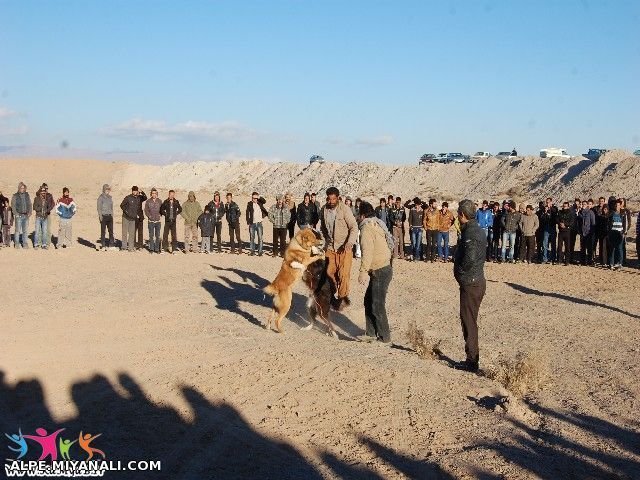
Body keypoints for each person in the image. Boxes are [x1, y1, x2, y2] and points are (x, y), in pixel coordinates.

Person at [454, 199, 486, 373]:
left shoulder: (471, 233)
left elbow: (470, 258)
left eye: (459, 214)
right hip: (474, 281)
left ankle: (472, 361)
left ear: (462, 215)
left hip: (471, 283)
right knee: (469, 320)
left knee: (469, 321)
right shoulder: (475, 229)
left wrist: (460, 271)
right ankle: (471, 358)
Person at [356, 201, 394, 345]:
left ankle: (385, 337)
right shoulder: (378, 223)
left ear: (363, 215)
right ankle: (371, 333)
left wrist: (362, 272)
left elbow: (367, 252)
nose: (358, 218)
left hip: (380, 269)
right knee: (369, 300)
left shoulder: (366, 228)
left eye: (359, 215)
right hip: (384, 267)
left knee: (377, 303)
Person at [320, 186, 358, 310]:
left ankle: (343, 299)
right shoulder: (324, 210)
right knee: (328, 273)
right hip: (331, 247)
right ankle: (331, 297)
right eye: (329, 199)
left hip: (344, 248)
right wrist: (326, 240)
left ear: (337, 198)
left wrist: (349, 243)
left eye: (333, 199)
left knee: (343, 275)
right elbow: (323, 228)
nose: (331, 201)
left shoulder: (345, 209)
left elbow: (354, 227)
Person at [246, 192, 268, 256]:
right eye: (253, 198)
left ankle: (260, 251)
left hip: (259, 223)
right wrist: (248, 221)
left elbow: (264, 201)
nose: (254, 199)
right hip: (252, 223)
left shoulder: (260, 203)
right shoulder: (249, 204)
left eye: (255, 198)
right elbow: (247, 213)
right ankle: (252, 251)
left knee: (260, 238)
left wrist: (259, 197)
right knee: (252, 238)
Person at [120, 186, 142, 252]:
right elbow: (122, 205)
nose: (135, 192)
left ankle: (130, 247)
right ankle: (123, 247)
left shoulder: (138, 198)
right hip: (126, 217)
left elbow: (145, 198)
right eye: (134, 190)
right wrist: (126, 212)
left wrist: (142, 192)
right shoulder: (128, 197)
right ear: (132, 191)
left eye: (136, 191)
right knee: (124, 232)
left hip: (133, 218)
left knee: (132, 233)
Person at [11, 182, 31, 249]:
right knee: (17, 230)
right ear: (19, 188)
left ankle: (25, 243)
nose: (22, 189)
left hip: (26, 216)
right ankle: (16, 243)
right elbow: (13, 206)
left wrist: (30, 212)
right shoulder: (15, 195)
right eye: (21, 188)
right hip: (19, 215)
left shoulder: (27, 195)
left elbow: (30, 204)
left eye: (23, 188)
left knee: (25, 231)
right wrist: (16, 214)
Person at [607, 200, 626, 270]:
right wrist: (609, 233)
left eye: (618, 205)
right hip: (613, 234)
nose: (616, 206)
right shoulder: (611, 214)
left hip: (620, 234)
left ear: (620, 206)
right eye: (615, 205)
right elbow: (609, 225)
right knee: (612, 249)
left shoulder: (623, 214)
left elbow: (624, 224)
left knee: (620, 249)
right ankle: (611, 263)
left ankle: (620, 264)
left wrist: (623, 233)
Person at [405, 197, 424, 262]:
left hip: (420, 229)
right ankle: (414, 256)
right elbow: (409, 219)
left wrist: (421, 201)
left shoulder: (422, 210)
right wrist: (411, 199)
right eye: (416, 204)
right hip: (413, 228)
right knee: (414, 243)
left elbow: (424, 219)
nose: (417, 206)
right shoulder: (412, 209)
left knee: (418, 244)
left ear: (420, 204)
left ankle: (417, 257)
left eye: (418, 204)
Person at [539, 197, 558, 264]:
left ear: (551, 202)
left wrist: (550, 208)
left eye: (548, 202)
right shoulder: (544, 209)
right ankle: (545, 259)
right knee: (545, 244)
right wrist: (545, 212)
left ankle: (553, 259)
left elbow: (555, 214)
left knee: (553, 245)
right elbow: (542, 219)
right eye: (546, 202)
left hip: (552, 228)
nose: (547, 203)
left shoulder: (555, 208)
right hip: (546, 228)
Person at [144, 187, 162, 254]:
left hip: (158, 221)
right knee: (151, 236)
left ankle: (157, 249)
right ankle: (151, 249)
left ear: (156, 194)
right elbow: (146, 210)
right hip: (150, 221)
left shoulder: (159, 201)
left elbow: (162, 209)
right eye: (152, 193)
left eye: (155, 193)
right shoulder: (148, 201)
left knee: (157, 235)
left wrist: (160, 214)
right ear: (151, 194)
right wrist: (149, 216)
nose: (154, 194)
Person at [96, 184, 114, 251]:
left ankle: (111, 245)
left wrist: (112, 215)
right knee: (103, 232)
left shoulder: (110, 197)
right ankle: (103, 245)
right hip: (103, 216)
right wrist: (100, 216)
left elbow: (111, 207)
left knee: (111, 231)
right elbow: (99, 208)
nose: (108, 191)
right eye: (106, 189)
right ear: (104, 189)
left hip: (110, 216)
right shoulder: (100, 198)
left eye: (108, 189)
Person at [556, 201, 574, 266]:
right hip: (561, 232)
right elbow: (557, 219)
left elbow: (572, 222)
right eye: (563, 206)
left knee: (567, 247)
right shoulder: (560, 212)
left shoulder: (571, 213)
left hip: (567, 232)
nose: (564, 207)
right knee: (559, 247)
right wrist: (560, 223)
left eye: (566, 206)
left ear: (568, 207)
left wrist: (565, 225)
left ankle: (567, 261)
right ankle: (559, 260)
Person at [579, 199, 596, 266]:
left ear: (587, 205)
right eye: (582, 204)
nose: (583, 206)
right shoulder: (580, 213)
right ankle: (583, 262)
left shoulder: (590, 212)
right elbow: (578, 223)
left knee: (589, 248)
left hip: (589, 233)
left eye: (585, 204)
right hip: (582, 233)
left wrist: (591, 232)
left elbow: (593, 223)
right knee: (582, 248)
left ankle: (590, 261)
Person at [619, 198, 632, 265]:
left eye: (621, 201)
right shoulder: (617, 210)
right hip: (616, 231)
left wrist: (625, 230)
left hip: (623, 231)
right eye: (619, 201)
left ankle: (623, 260)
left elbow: (629, 222)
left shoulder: (626, 211)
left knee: (623, 246)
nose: (620, 203)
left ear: (624, 202)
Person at [569, 198, 582, 263]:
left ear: (579, 204)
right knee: (571, 244)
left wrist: (579, 212)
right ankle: (570, 258)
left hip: (580, 229)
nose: (576, 205)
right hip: (573, 229)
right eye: (575, 203)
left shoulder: (582, 210)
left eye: (578, 203)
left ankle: (581, 259)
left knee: (582, 244)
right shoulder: (571, 210)